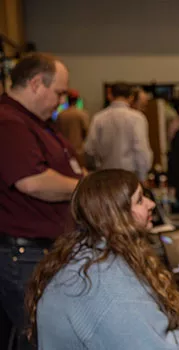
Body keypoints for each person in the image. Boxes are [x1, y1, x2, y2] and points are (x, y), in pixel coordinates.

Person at [24, 169, 179, 349]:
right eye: (140, 200)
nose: (151, 204)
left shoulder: (89, 257)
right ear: (116, 215)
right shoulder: (103, 280)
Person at [0, 53, 82, 350]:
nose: (61, 101)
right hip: (24, 253)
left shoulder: (35, 122)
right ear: (36, 83)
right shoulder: (9, 122)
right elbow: (31, 181)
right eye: (59, 92)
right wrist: (87, 186)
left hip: (43, 249)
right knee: (40, 338)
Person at [84, 83, 153, 181]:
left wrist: (97, 166)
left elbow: (89, 149)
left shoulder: (98, 118)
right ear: (131, 97)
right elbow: (141, 150)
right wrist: (142, 177)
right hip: (129, 176)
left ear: (110, 95)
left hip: (105, 174)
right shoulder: (137, 118)